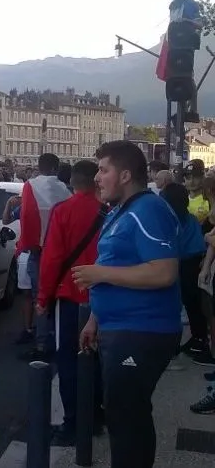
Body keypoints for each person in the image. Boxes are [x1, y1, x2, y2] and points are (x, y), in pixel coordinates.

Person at [73, 140, 181, 468]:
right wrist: (95, 319)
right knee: (123, 413)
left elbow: (164, 272)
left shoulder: (148, 209)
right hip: (120, 327)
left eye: (103, 170)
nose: (97, 177)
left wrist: (99, 273)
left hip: (142, 330)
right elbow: (119, 261)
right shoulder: (122, 210)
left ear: (124, 175)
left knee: (126, 417)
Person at [36, 160, 107, 446]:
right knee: (97, 359)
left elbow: (52, 259)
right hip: (102, 297)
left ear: (73, 183)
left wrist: (43, 298)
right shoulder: (109, 212)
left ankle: (74, 423)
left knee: (67, 360)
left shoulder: (63, 211)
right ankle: (96, 415)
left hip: (69, 296)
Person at [17, 153, 72, 359]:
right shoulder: (64, 190)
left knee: (39, 296)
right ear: (56, 168)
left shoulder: (30, 185)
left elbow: (27, 216)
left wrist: (27, 243)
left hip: (38, 250)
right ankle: (56, 338)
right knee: (56, 297)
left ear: (39, 167)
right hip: (61, 251)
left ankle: (40, 344)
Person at [159, 183, 211, 364]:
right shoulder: (190, 218)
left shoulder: (169, 220)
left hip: (179, 264)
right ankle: (198, 338)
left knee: (176, 305)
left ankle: (180, 344)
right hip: (193, 262)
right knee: (193, 305)